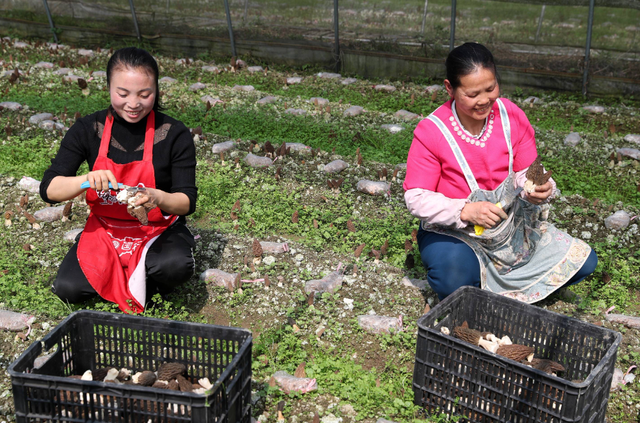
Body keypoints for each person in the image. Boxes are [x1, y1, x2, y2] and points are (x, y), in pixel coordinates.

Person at [403, 42, 597, 303]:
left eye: (490, 88)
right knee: (452, 276)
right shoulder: (432, 131)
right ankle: (483, 280)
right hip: (457, 232)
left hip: (510, 225)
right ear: (450, 88)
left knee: (584, 262)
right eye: (472, 94)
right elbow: (416, 196)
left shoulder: (511, 116)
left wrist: (538, 185)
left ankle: (487, 288)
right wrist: (465, 211)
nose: (484, 100)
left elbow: (528, 169)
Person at [40, 47, 197, 313]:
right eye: (122, 94)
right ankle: (129, 277)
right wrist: (86, 179)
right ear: (109, 87)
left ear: (157, 90)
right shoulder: (88, 129)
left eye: (145, 94)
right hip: (106, 229)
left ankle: (133, 277)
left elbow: (186, 202)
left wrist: (157, 196)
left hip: (156, 230)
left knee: (174, 267)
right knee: (69, 288)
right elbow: (49, 189)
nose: (133, 103)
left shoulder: (173, 134)